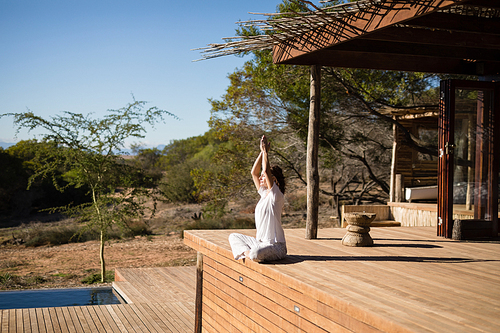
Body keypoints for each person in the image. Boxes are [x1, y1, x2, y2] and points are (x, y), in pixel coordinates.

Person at [228, 135, 287, 263]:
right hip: (261, 243)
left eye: (263, 177)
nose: (260, 178)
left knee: (255, 254)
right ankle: (249, 253)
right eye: (261, 177)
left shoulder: (276, 195)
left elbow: (265, 170)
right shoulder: (263, 193)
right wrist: (261, 152)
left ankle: (251, 254)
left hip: (276, 246)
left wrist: (266, 152)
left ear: (273, 180)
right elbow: (254, 173)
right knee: (233, 237)